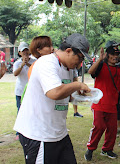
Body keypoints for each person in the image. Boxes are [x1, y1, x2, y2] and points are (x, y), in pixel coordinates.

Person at [13, 33, 91, 164]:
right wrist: (77, 84)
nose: (80, 62)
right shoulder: (47, 63)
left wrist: (81, 95)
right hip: (38, 134)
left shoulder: (68, 68)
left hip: (58, 132)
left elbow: (67, 96)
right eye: (80, 57)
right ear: (68, 51)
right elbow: (54, 93)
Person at [13, 42, 36, 140]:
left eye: (27, 50)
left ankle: (32, 129)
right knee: (20, 110)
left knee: (33, 110)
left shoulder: (34, 61)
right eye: (23, 51)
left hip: (32, 91)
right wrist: (22, 65)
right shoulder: (17, 63)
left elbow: (36, 70)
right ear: (19, 53)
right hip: (20, 91)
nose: (25, 52)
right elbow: (15, 73)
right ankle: (19, 132)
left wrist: (28, 63)